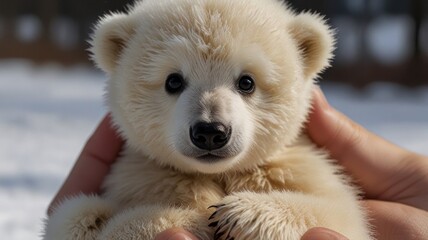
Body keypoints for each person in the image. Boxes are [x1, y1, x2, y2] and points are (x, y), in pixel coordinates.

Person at [48, 88, 428, 240]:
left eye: (245, 83)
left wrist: (279, 216)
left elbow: (347, 222)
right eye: (176, 82)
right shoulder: (132, 169)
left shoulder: (300, 160)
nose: (210, 120)